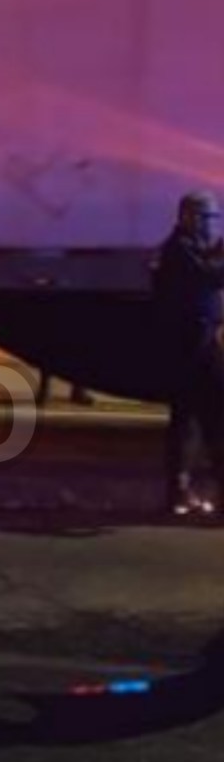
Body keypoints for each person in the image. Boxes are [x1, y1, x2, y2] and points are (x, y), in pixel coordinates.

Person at [152, 190, 224, 517]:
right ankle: (180, 492)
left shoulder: (189, 248)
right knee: (194, 419)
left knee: (201, 419)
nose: (212, 225)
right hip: (190, 346)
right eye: (207, 218)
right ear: (188, 217)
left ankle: (184, 491)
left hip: (198, 342)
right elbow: (210, 277)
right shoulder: (179, 250)